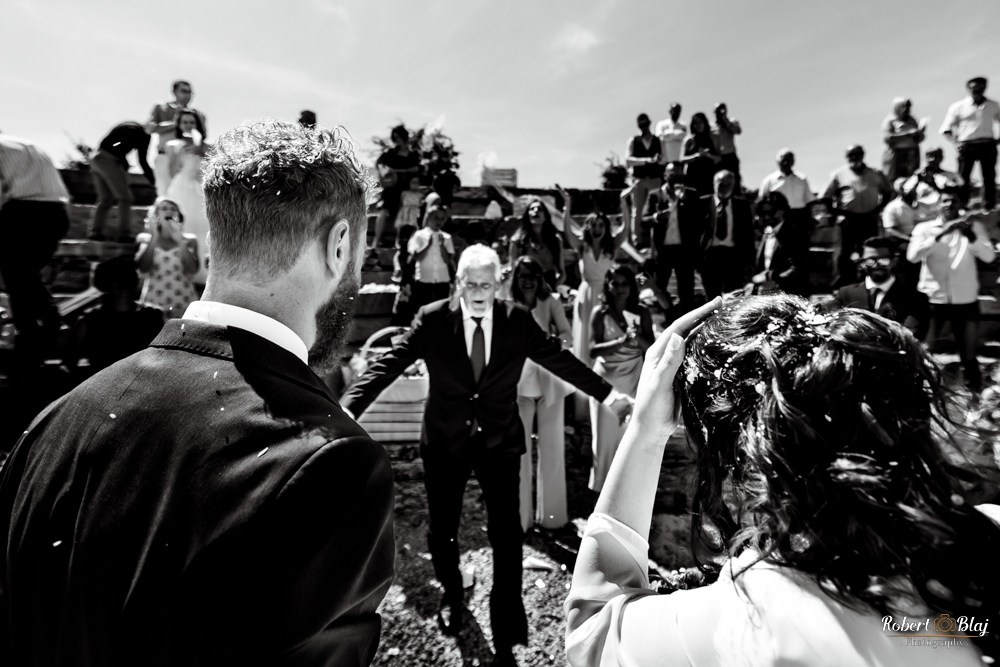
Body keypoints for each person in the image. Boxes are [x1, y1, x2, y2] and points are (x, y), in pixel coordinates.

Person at [0, 119, 395, 666]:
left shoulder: (53, 422)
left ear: (216, 240)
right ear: (340, 245)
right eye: (360, 258)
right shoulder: (333, 464)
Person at [565, 293, 1000, 666]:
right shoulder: (979, 540)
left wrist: (645, 432)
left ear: (741, 458)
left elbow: (591, 635)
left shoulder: (757, 607)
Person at [340, 244, 632, 667]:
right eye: (471, 283)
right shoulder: (433, 319)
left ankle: (506, 628)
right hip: (445, 441)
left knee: (507, 535)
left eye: (486, 284)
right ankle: (452, 594)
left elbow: (561, 361)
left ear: (498, 284)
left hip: (499, 442)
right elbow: (390, 362)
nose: (478, 292)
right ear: (459, 283)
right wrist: (349, 407)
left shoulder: (517, 320)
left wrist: (609, 397)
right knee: (443, 530)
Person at [907, 190, 995, 390]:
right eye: (945, 201)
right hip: (933, 298)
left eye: (954, 201)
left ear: (960, 204)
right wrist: (941, 234)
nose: (950, 204)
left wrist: (970, 236)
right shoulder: (924, 228)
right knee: (925, 348)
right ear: (938, 205)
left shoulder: (974, 227)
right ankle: (919, 390)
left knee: (969, 352)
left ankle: (973, 394)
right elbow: (912, 256)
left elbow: (989, 257)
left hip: (965, 299)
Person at [510, 257, 574, 531]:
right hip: (516, 387)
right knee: (517, 455)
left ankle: (552, 518)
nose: (527, 280)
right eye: (522, 275)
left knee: (552, 451)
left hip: (549, 384)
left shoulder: (551, 302)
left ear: (539, 278)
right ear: (516, 278)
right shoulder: (506, 303)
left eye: (532, 275)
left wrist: (551, 342)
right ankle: (519, 520)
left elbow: (568, 336)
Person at [0, 133, 71, 375]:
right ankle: (41, 331)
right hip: (56, 213)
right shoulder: (29, 145)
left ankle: (40, 329)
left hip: (23, 213)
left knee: (17, 278)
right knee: (25, 276)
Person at [588, 265, 653, 492]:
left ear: (632, 286)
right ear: (608, 285)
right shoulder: (600, 313)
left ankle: (625, 493)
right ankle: (601, 495)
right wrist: (621, 341)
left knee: (629, 441)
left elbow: (652, 349)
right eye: (615, 283)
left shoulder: (642, 312)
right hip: (605, 383)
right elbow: (592, 350)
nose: (620, 288)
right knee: (603, 442)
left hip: (633, 379)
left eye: (625, 283)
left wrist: (637, 337)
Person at [564, 207, 626, 420]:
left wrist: (624, 204)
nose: (598, 229)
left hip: (605, 298)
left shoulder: (611, 247)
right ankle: (582, 410)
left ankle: (605, 405)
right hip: (586, 296)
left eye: (601, 225)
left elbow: (625, 231)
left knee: (603, 344)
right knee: (583, 347)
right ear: (588, 228)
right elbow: (567, 231)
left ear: (606, 228)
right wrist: (568, 205)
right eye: (594, 225)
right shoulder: (582, 246)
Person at [63, 255, 165, 378]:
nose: (123, 285)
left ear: (133, 281)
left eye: (126, 278)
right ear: (105, 283)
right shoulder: (90, 321)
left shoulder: (152, 317)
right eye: (116, 279)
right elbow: (69, 363)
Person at [822, 145, 894, 288]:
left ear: (862, 155)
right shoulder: (839, 174)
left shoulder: (875, 173)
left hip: (869, 218)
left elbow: (888, 192)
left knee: (869, 251)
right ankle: (843, 283)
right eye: (850, 155)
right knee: (845, 252)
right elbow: (826, 197)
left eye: (857, 154)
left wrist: (879, 209)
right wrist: (837, 214)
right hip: (848, 219)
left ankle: (866, 281)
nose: (854, 158)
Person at [830, 237, 928, 335]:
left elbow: (911, 335)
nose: (876, 265)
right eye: (870, 260)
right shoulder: (846, 294)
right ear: (862, 263)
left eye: (883, 260)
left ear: (894, 261)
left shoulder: (915, 298)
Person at [163, 109, 210, 286]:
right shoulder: (172, 145)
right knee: (181, 224)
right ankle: (177, 270)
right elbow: (171, 170)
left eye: (192, 122)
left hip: (200, 188)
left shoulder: (206, 146)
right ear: (179, 124)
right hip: (181, 187)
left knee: (202, 226)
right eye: (185, 122)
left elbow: (209, 168)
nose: (188, 125)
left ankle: (202, 272)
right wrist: (179, 152)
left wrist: (201, 152)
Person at [644, 172, 703, 312]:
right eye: (672, 173)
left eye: (679, 173)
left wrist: (685, 202)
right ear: (665, 175)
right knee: (660, 289)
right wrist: (656, 217)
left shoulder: (691, 194)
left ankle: (687, 321)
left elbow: (700, 221)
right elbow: (644, 221)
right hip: (663, 251)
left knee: (686, 292)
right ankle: (665, 319)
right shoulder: (655, 195)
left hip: (684, 251)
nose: (676, 177)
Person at [88, 121, 155, 242]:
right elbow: (111, 144)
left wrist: (153, 180)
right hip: (107, 160)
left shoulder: (139, 132)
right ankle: (124, 234)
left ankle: (95, 233)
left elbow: (142, 161)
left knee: (106, 199)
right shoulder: (135, 130)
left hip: (96, 158)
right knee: (125, 198)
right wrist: (153, 181)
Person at [940, 76, 1000, 210]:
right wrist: (956, 143)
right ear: (968, 88)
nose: (977, 90)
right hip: (967, 145)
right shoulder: (958, 107)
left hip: (987, 144)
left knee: (989, 177)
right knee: (963, 178)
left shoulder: (993, 105)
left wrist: (997, 140)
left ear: (985, 88)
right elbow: (946, 129)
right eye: (974, 87)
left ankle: (989, 208)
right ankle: (962, 206)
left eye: (980, 87)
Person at [135, 197, 199, 318]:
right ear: (156, 215)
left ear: (178, 216)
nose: (169, 211)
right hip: (153, 301)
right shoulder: (144, 239)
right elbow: (143, 269)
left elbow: (192, 270)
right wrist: (154, 237)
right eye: (164, 208)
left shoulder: (190, 240)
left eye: (173, 209)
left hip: (183, 300)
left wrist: (179, 240)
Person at [699, 170, 754, 299]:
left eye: (728, 185)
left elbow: (748, 235)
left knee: (734, 296)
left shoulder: (742, 205)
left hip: (733, 256)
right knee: (712, 297)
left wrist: (750, 261)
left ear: (733, 186)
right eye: (721, 184)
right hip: (709, 256)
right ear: (714, 184)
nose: (724, 188)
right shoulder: (701, 203)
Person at [146, 80, 207, 197]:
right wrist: (176, 123)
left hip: (187, 159)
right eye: (183, 91)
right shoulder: (161, 108)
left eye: (190, 92)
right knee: (165, 194)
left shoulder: (197, 114)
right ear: (174, 92)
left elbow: (203, 136)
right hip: (164, 157)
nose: (187, 95)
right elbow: (149, 128)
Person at [748, 191, 808, 296]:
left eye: (770, 212)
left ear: (782, 211)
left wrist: (771, 278)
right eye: (762, 213)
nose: (766, 217)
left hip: (788, 295)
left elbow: (798, 269)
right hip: (764, 294)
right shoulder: (766, 234)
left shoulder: (794, 233)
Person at [372, 124, 421, 249]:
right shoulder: (391, 153)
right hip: (391, 187)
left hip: (406, 189)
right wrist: (384, 175)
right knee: (383, 209)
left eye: (399, 137)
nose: (397, 140)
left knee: (404, 210)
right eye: (395, 137)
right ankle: (376, 241)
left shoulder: (413, 154)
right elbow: (379, 164)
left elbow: (416, 169)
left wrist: (398, 171)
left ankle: (399, 242)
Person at [406, 193, 455, 312]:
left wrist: (441, 246)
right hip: (424, 279)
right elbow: (416, 257)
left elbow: (447, 261)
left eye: (442, 219)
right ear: (428, 218)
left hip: (442, 279)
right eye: (436, 218)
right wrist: (427, 245)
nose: (439, 221)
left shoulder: (446, 237)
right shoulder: (419, 235)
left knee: (441, 309)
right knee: (423, 308)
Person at [509, 196, 565, 289]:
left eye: (540, 209)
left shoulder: (555, 240)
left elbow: (562, 273)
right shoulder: (517, 241)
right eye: (532, 209)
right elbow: (513, 270)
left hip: (549, 286)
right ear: (527, 215)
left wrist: (554, 288)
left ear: (545, 216)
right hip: (526, 286)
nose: (536, 211)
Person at [624, 113, 663, 247]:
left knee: (657, 209)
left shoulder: (657, 140)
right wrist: (646, 161)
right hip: (639, 179)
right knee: (637, 211)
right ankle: (637, 240)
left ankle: (656, 239)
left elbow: (663, 158)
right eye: (641, 125)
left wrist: (658, 160)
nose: (644, 127)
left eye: (645, 124)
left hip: (655, 179)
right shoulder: (633, 140)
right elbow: (628, 160)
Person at [757, 148, 814, 232]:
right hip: (778, 218)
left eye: (789, 159)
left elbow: (809, 200)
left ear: (793, 161)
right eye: (783, 158)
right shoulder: (769, 180)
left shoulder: (802, 179)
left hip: (799, 218)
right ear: (777, 161)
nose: (786, 162)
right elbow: (761, 202)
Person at [904, 146, 963, 222]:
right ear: (925, 158)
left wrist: (932, 183)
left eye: (936, 156)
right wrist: (918, 180)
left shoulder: (951, 176)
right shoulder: (917, 176)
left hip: (944, 216)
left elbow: (957, 193)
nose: (933, 159)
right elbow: (905, 194)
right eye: (930, 156)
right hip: (921, 216)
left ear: (941, 158)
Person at [881, 97, 925, 181]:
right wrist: (907, 134)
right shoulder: (890, 121)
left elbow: (918, 139)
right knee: (895, 180)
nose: (906, 109)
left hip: (912, 153)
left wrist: (919, 133)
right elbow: (887, 138)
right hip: (897, 155)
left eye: (908, 107)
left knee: (912, 179)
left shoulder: (912, 120)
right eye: (903, 106)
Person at [681, 112, 721, 196]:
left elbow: (718, 158)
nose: (698, 125)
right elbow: (682, 159)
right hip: (692, 178)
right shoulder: (689, 140)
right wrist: (696, 156)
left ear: (705, 123)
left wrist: (708, 155)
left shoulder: (711, 139)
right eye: (696, 123)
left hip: (708, 178)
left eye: (700, 122)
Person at [712, 103, 743, 187]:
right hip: (718, 158)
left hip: (730, 156)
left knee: (734, 180)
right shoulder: (711, 126)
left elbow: (738, 131)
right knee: (719, 181)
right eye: (717, 111)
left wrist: (726, 121)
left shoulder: (731, 121)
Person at [654, 103, 687, 167]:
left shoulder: (683, 125)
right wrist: (678, 134)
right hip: (665, 161)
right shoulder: (662, 124)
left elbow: (684, 137)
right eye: (674, 110)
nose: (676, 112)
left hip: (679, 161)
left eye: (678, 110)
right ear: (670, 111)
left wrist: (667, 134)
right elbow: (659, 137)